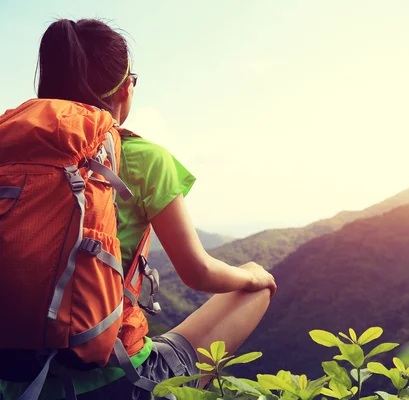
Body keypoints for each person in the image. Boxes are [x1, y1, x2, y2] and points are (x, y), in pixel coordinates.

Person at [0, 18, 276, 399]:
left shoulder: (10, 153)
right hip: (117, 375)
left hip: (15, 377)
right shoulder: (147, 159)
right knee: (255, 287)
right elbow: (197, 273)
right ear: (125, 88)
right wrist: (253, 276)